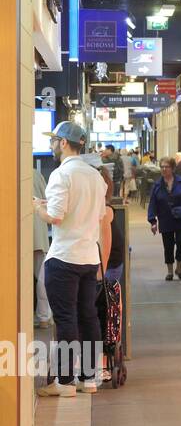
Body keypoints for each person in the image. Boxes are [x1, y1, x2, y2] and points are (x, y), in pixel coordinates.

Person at [33, 122, 106, 396]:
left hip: (64, 257)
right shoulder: (95, 176)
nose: (52, 145)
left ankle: (64, 382)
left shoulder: (62, 174)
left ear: (64, 143)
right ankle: (88, 379)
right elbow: (100, 216)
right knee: (88, 317)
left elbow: (56, 216)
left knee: (65, 319)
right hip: (89, 258)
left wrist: (36, 207)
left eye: (54, 141)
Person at [147, 157, 181, 281]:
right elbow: (153, 203)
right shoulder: (157, 185)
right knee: (168, 246)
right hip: (165, 218)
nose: (164, 169)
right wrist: (153, 221)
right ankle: (169, 271)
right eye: (162, 167)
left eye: (167, 167)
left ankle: (179, 268)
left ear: (172, 168)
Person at [33, 163, 52, 329]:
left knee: (22, 279)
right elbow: (48, 199)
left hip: (15, 237)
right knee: (42, 278)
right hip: (37, 232)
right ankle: (44, 317)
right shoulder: (35, 174)